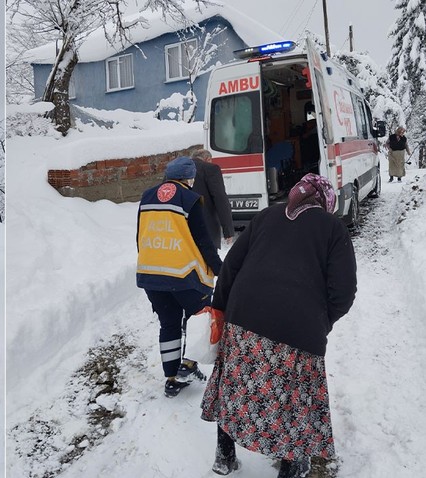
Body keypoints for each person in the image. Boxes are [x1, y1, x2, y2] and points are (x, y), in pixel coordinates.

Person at [200, 173, 357, 477]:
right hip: (298, 332)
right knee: (295, 405)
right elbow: (343, 293)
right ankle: (291, 470)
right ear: (325, 202)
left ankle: (224, 457)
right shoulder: (333, 229)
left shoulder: (265, 216)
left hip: (242, 321)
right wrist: (319, 323)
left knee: (235, 388)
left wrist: (220, 309)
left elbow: (230, 268)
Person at [137, 156, 223, 398]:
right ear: (189, 178)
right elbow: (203, 241)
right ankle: (188, 364)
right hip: (183, 275)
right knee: (196, 320)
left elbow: (140, 236)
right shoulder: (190, 199)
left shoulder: (147, 197)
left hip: (151, 275)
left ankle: (172, 378)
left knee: (169, 324)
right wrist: (220, 269)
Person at [190, 149, 235, 249]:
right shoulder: (210, 169)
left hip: (180, 226)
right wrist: (228, 229)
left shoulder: (176, 170)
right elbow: (220, 198)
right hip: (205, 225)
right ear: (208, 159)